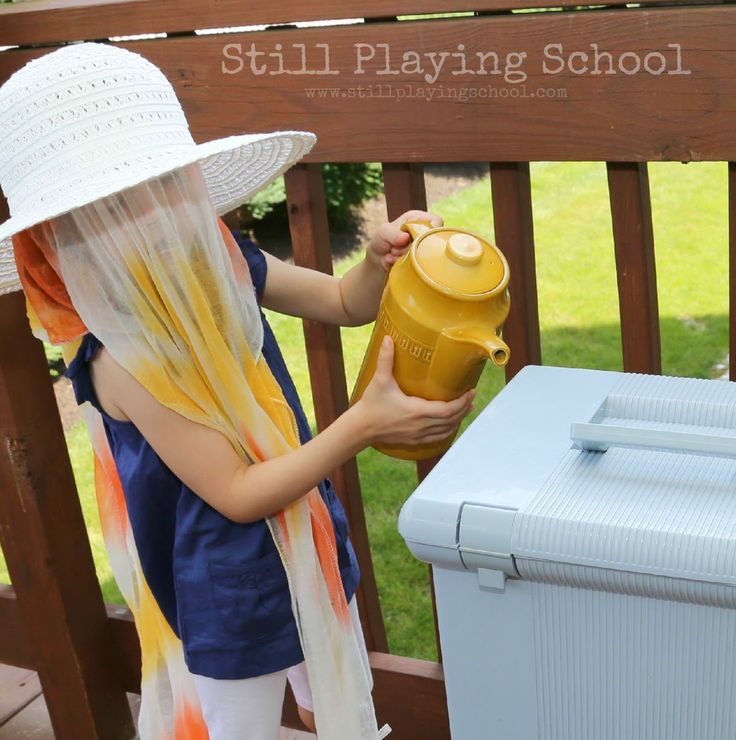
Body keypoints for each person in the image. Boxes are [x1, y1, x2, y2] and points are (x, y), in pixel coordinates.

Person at [0, 43, 472, 740]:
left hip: (301, 539)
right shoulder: (121, 363)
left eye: (165, 186)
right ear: (64, 238)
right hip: (224, 591)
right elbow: (238, 493)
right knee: (237, 728)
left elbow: (343, 302)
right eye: (117, 207)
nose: (159, 217)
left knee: (331, 693)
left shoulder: (220, 265)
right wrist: (363, 423)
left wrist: (378, 259)